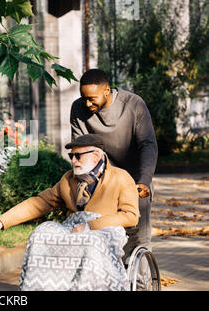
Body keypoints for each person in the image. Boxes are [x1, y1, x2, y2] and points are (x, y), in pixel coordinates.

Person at [0, 134, 139, 291]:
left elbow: (131, 216)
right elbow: (40, 202)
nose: (73, 160)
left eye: (78, 156)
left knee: (90, 243)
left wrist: (90, 225)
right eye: (71, 156)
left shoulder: (121, 177)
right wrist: (2, 221)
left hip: (105, 230)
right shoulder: (68, 179)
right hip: (73, 227)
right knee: (40, 234)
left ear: (96, 155)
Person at [69, 68, 158, 289]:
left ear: (107, 90)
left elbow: (148, 145)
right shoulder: (78, 108)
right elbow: (81, 149)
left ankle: (139, 285)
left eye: (92, 98)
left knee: (138, 237)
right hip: (101, 182)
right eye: (84, 98)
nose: (87, 104)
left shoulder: (133, 104)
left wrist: (144, 180)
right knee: (98, 235)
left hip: (135, 180)